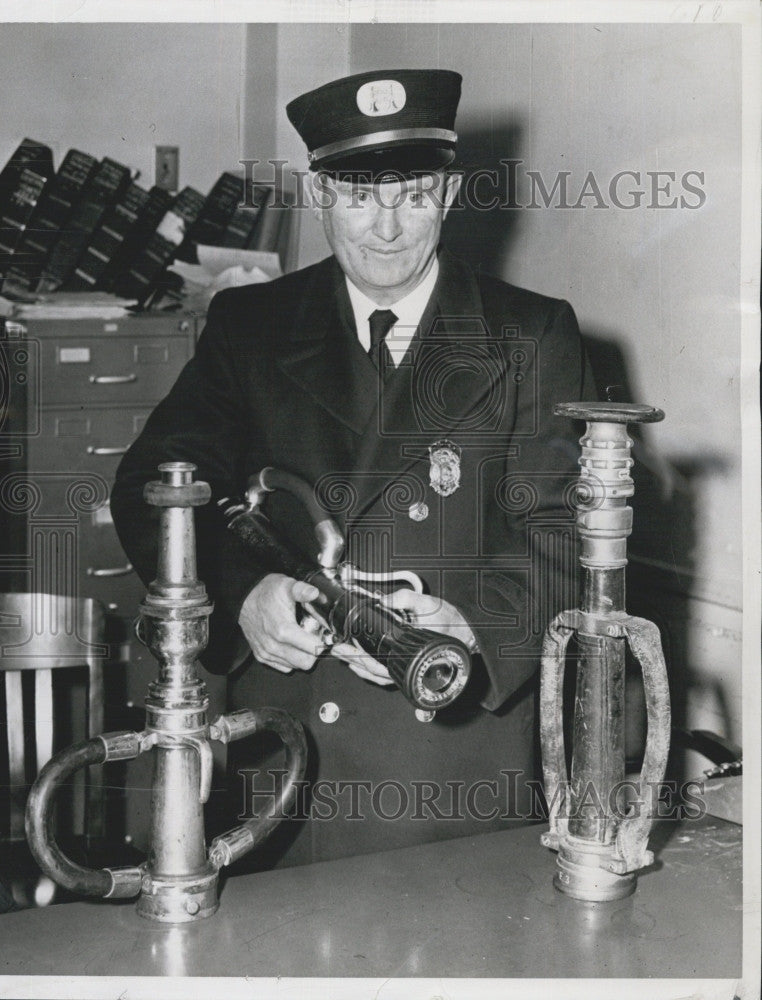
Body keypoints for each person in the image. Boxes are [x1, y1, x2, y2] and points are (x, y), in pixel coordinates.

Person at [111, 68, 597, 869]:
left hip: (452, 771)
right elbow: (154, 488)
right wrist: (239, 595)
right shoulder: (252, 324)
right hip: (286, 766)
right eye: (359, 196)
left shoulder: (530, 335)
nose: (386, 228)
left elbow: (573, 537)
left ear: (448, 195)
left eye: (412, 195)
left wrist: (474, 624)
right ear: (319, 195)